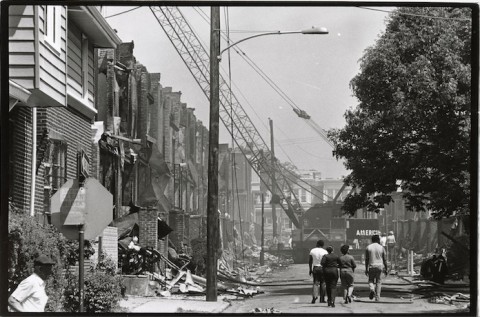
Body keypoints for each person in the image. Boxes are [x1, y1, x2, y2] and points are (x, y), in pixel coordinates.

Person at [365, 234, 388, 301]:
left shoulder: (368, 247)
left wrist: (366, 269)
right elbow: (385, 259)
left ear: (372, 240)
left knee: (370, 280)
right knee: (378, 282)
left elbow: (366, 259)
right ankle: (377, 297)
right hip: (380, 266)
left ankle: (372, 289)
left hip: (371, 266)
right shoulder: (381, 248)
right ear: (378, 240)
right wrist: (386, 268)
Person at [308, 240, 328, 304]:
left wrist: (310, 269)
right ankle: (322, 299)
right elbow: (326, 261)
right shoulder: (325, 251)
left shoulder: (312, 250)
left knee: (315, 283)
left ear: (317, 244)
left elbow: (310, 261)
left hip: (315, 268)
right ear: (323, 245)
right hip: (322, 268)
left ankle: (315, 296)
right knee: (323, 283)